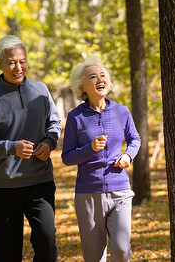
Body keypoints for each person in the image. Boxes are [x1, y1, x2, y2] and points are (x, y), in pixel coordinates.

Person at [0, 35, 61, 262]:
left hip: (39, 182)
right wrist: (11, 147)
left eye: (22, 61)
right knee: (7, 254)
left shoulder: (41, 90)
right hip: (3, 186)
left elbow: (55, 123)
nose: (18, 67)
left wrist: (49, 143)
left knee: (47, 240)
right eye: (12, 62)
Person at [61, 56, 141, 262]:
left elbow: (134, 139)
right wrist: (90, 148)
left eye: (102, 75)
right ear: (82, 87)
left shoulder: (121, 111)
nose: (99, 79)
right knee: (95, 257)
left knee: (122, 250)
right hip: (89, 193)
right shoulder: (75, 117)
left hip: (120, 189)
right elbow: (67, 157)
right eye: (93, 77)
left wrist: (127, 155)